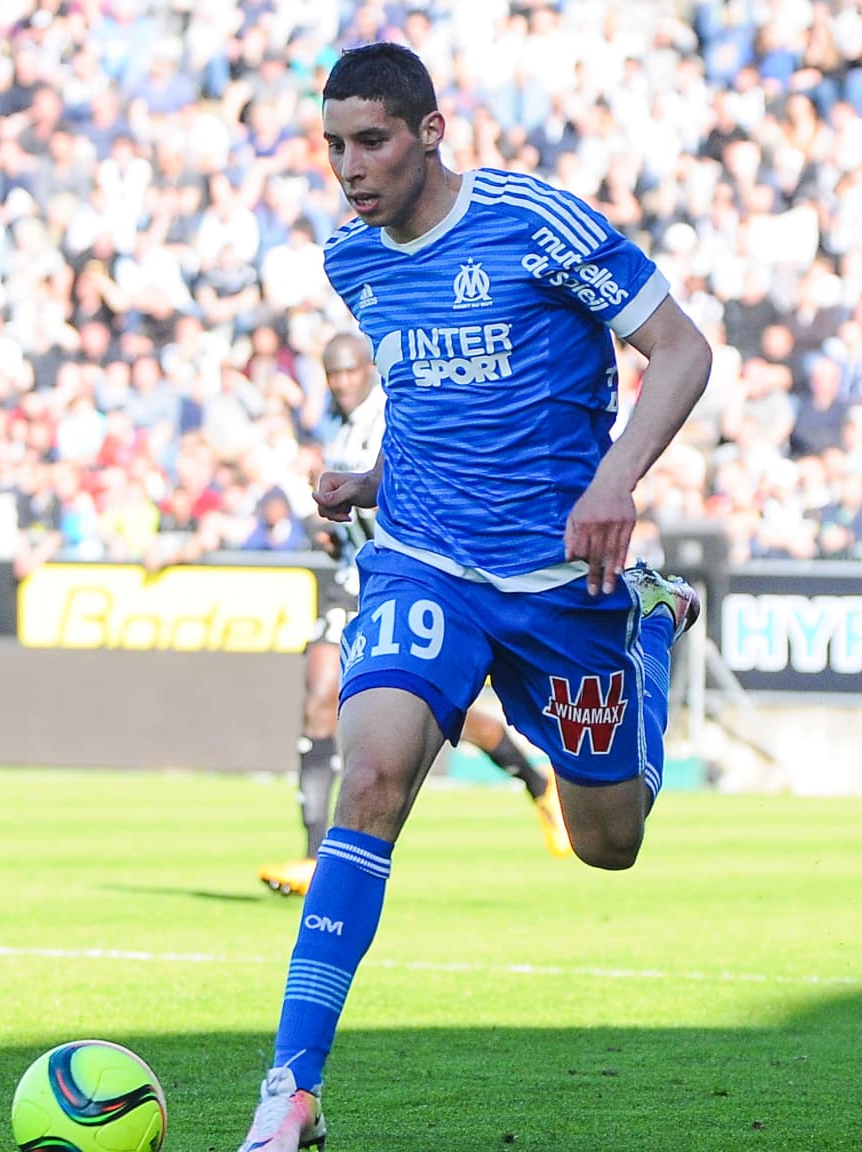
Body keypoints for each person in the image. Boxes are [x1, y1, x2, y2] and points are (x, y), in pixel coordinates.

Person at [237, 44, 710, 1151]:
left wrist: (613, 479)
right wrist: (373, 481)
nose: (349, 168)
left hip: (561, 584)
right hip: (422, 562)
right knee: (372, 780)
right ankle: (288, 1095)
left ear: (431, 132)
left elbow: (681, 351)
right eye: (333, 145)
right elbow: (440, 405)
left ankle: (645, 627)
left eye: (372, 141)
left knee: (608, 842)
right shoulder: (352, 261)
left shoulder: (535, 223)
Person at [257, 334, 570, 899]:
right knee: (318, 697)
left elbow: (406, 488)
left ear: (368, 371)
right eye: (333, 376)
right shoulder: (338, 427)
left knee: (446, 714)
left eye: (351, 372)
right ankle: (311, 857)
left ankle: (535, 778)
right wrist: (331, 528)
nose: (343, 383)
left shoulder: (392, 412)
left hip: (403, 578)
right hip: (353, 578)